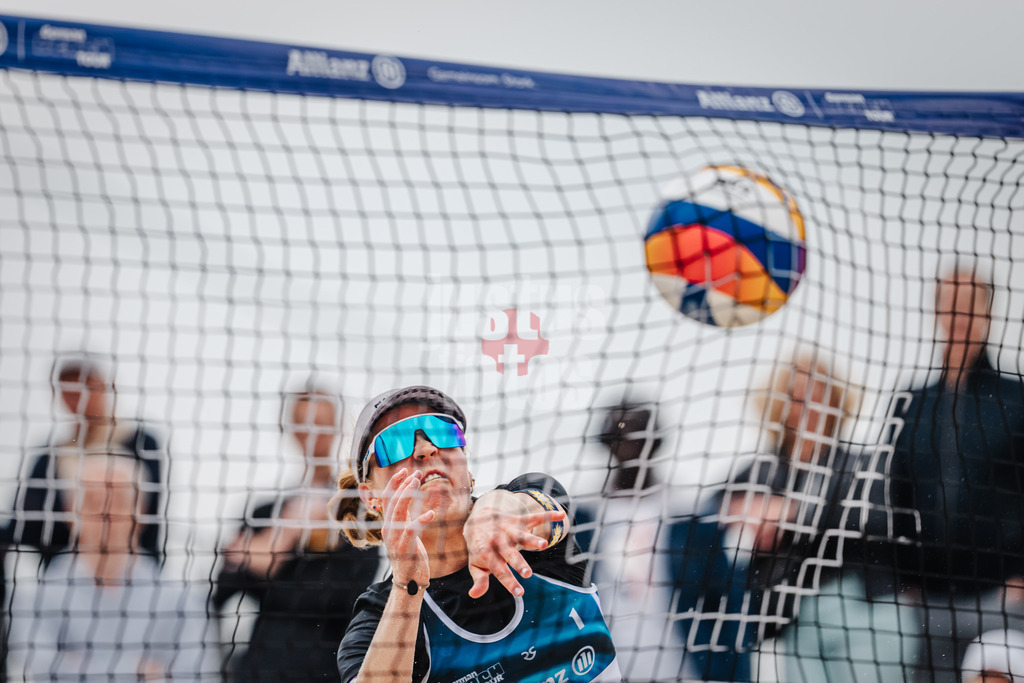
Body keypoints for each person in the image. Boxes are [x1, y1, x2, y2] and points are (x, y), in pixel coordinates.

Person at [333, 385, 620, 682]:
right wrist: (408, 584)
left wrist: (491, 512)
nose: (426, 449)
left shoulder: (532, 515)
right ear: (371, 497)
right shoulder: (380, 615)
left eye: (442, 432)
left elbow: (525, 506)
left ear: (467, 468)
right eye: (394, 442)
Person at [889, 268, 1024, 682]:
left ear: (987, 314)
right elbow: (899, 494)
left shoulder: (1016, 398)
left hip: (1000, 600)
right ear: (936, 311)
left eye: (968, 305)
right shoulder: (912, 403)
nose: (958, 315)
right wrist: (907, 583)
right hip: (927, 607)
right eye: (949, 304)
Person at [213, 385, 380, 681]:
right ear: (290, 429)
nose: (313, 433)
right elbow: (223, 589)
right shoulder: (264, 511)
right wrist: (286, 535)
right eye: (304, 423)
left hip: (328, 669)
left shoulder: (359, 511)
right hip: (260, 668)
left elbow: (345, 597)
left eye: (322, 422)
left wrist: (268, 556)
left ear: (335, 427)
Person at [6, 454, 217, 680]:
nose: (105, 514)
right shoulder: (35, 599)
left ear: (141, 512)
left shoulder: (182, 600)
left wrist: (79, 668)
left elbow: (198, 675)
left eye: (118, 501)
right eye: (94, 501)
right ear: (70, 512)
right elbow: (43, 671)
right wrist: (137, 671)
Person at [5, 356, 166, 562]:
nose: (79, 400)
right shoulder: (49, 457)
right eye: (70, 392)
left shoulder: (143, 443)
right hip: (63, 576)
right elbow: (22, 524)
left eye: (87, 388)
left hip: (133, 574)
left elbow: (149, 516)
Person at [574, 399, 688, 681]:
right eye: (619, 436)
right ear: (606, 443)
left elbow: (721, 600)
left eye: (638, 434)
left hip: (682, 668)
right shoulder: (579, 517)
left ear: (656, 441)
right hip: (605, 669)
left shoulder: (688, 513)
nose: (628, 444)